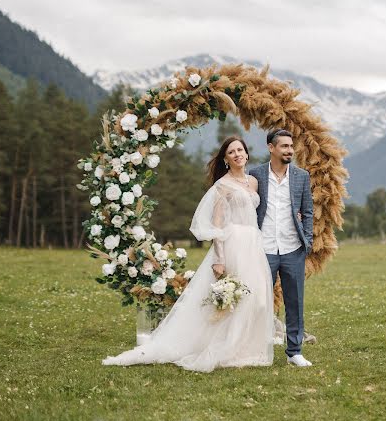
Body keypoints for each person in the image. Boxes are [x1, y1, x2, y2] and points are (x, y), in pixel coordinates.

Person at [102, 136, 275, 373]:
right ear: (226, 159)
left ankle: (246, 346)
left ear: (246, 153)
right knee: (236, 298)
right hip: (233, 242)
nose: (237, 154)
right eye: (232, 152)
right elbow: (216, 224)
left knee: (259, 299)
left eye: (240, 150)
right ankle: (228, 348)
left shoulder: (254, 182)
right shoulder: (222, 185)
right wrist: (219, 258)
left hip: (253, 243)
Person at [249, 129, 314, 367]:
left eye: (291, 146)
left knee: (294, 300)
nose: (290, 150)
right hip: (263, 247)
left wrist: (307, 240)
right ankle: (257, 348)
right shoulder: (255, 175)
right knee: (260, 300)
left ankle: (294, 351)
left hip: (292, 248)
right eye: (284, 146)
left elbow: (307, 211)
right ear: (271, 147)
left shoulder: (301, 176)